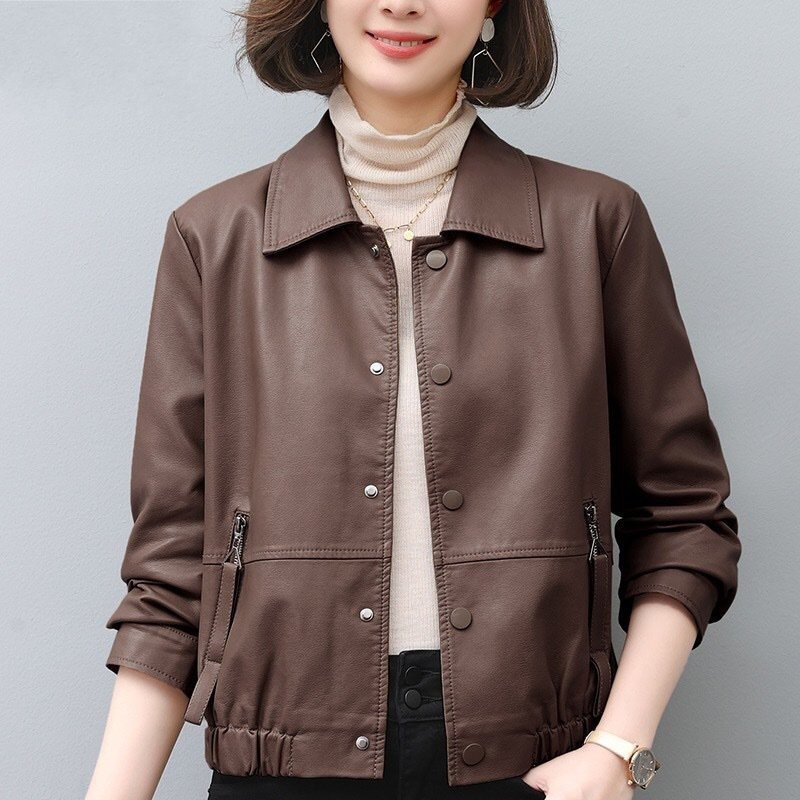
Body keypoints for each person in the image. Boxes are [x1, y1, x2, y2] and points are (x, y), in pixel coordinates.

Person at [87, 1, 742, 799]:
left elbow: (685, 518)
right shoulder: (213, 237)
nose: (402, 3)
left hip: (535, 767)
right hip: (281, 768)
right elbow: (169, 576)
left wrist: (617, 749)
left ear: (494, 7)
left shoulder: (595, 226)